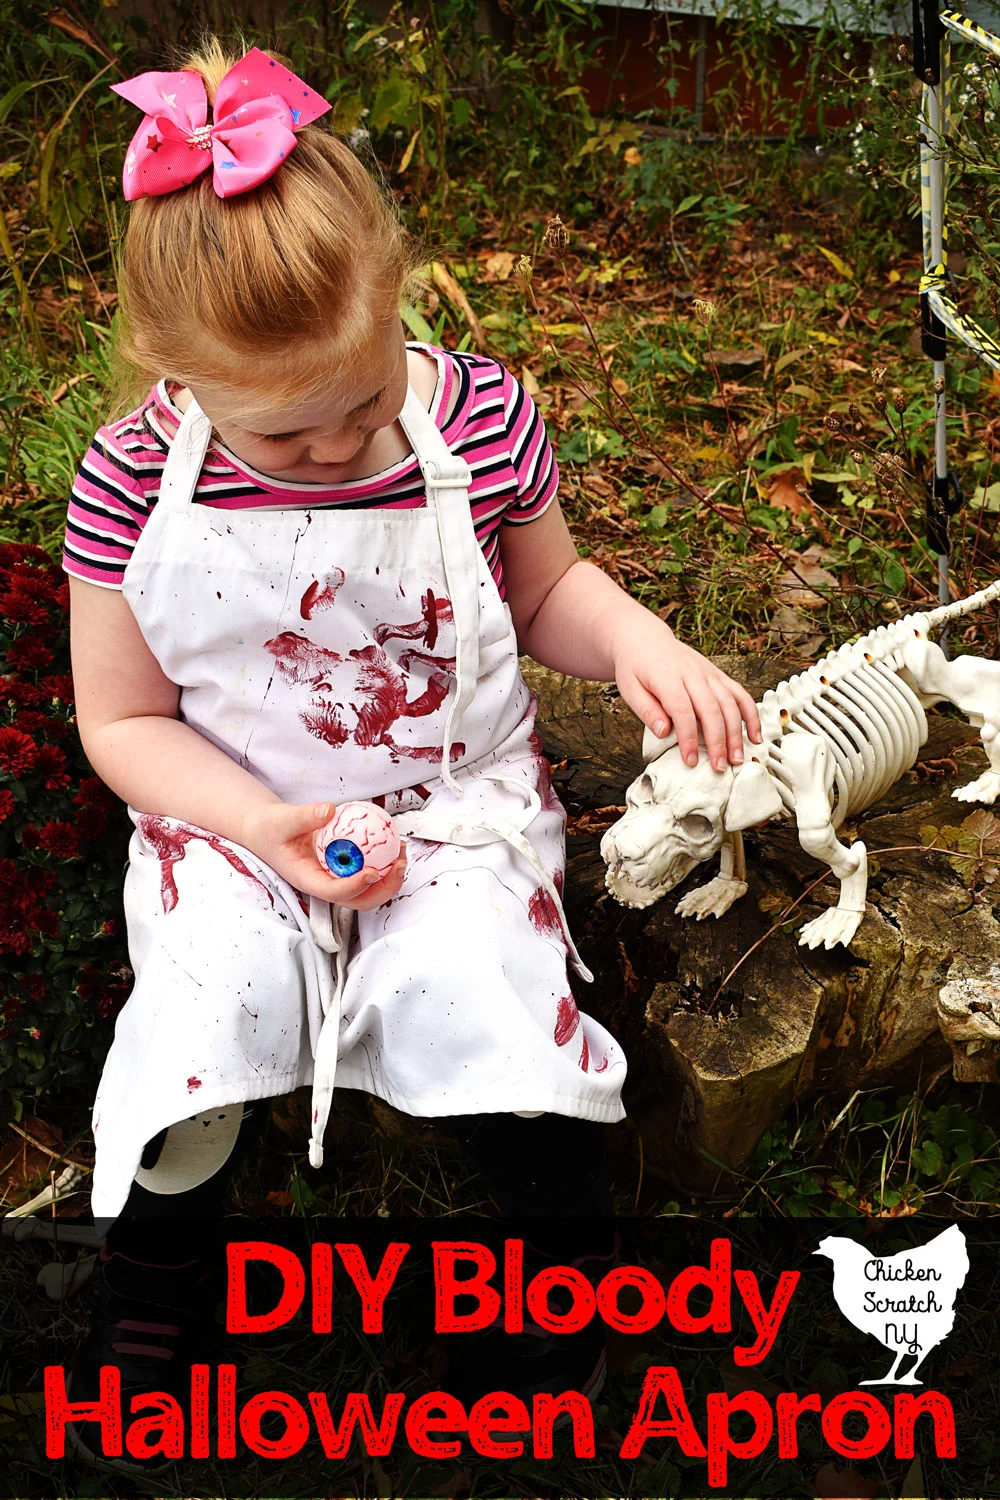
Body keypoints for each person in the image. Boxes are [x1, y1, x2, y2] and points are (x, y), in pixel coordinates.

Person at [61, 39, 762, 1464]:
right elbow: (122, 719)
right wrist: (260, 828)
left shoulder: (479, 418)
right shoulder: (132, 482)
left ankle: (548, 1253)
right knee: (210, 1004)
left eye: (369, 401)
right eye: (291, 433)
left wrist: (634, 643)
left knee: (482, 984)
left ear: (401, 307)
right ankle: (163, 1255)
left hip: (452, 794)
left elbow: (546, 589)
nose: (342, 446)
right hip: (235, 806)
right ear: (176, 380)